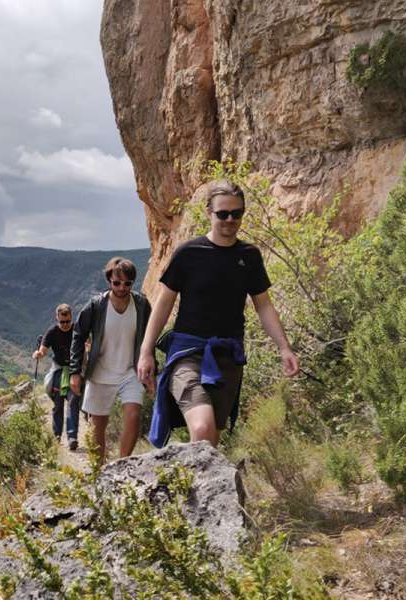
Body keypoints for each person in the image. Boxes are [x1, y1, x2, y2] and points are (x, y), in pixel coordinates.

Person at [138, 180, 300, 448]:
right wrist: (146, 353)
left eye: (236, 213)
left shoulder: (249, 256)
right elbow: (164, 303)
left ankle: (194, 488)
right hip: (187, 354)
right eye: (222, 213)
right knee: (202, 427)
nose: (229, 220)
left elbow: (263, 306)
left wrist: (284, 348)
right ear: (208, 213)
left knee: (210, 439)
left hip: (227, 357)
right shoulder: (189, 253)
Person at [70, 258, 152, 463]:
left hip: (131, 372)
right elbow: (78, 336)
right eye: (117, 283)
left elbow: (150, 339)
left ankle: (123, 465)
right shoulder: (96, 306)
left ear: (133, 283)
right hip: (100, 373)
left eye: (127, 283)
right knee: (98, 426)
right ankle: (99, 473)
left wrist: (152, 371)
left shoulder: (141, 305)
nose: (122, 287)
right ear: (109, 280)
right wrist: (75, 372)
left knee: (133, 416)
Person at [33, 304, 82, 450]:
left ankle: (72, 437)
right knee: (58, 403)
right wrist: (38, 354)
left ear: (71, 318)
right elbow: (43, 350)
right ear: (57, 318)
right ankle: (57, 436)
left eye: (67, 321)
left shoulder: (77, 330)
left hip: (74, 370)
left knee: (73, 401)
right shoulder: (52, 332)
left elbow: (87, 343)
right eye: (62, 322)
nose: (65, 325)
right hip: (59, 370)